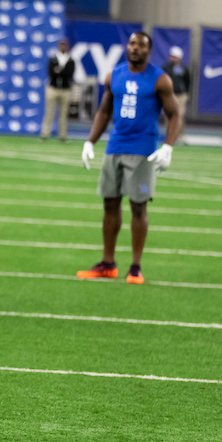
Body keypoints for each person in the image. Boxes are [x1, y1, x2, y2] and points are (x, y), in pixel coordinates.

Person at [78, 31, 180, 284]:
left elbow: (174, 114)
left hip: (143, 150)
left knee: (138, 207)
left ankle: (135, 266)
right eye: (132, 43)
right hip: (115, 146)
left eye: (141, 45)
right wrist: (91, 141)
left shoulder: (160, 80)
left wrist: (168, 146)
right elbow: (104, 110)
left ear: (149, 50)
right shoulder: (115, 74)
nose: (135, 48)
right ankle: (107, 263)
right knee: (109, 204)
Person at [40, 38, 74, 142]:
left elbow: (69, 73)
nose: (63, 47)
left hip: (65, 89)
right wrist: (60, 72)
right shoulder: (53, 58)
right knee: (49, 112)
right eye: (61, 44)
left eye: (65, 45)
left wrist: (59, 71)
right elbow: (51, 73)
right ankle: (45, 133)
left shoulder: (70, 60)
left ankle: (62, 135)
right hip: (53, 88)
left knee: (63, 114)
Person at [162, 46, 190, 140]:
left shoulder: (183, 69)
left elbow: (188, 81)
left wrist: (185, 92)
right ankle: (169, 134)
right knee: (169, 114)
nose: (173, 59)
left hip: (181, 95)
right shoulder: (167, 68)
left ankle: (179, 135)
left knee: (180, 115)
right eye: (172, 56)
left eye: (175, 57)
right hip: (170, 94)